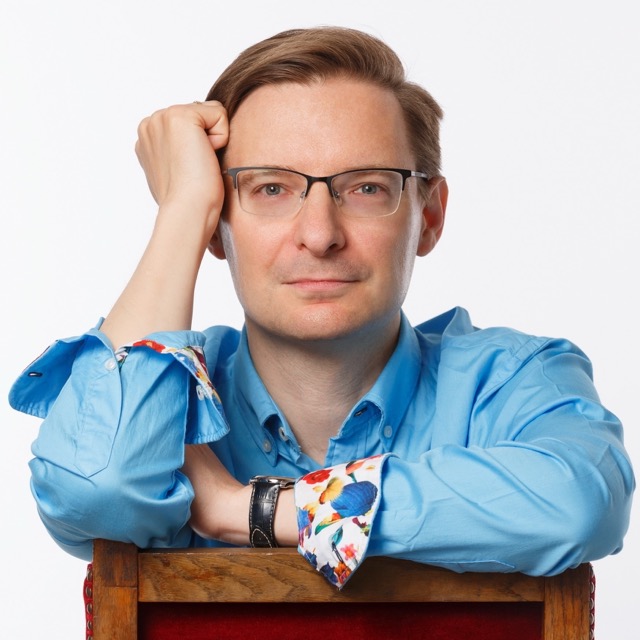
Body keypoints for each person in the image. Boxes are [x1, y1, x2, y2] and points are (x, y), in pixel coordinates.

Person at [9, 26, 634, 589]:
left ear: (429, 217)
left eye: (365, 187)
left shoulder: (512, 381)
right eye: (270, 188)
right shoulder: (160, 405)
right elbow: (98, 491)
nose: (319, 234)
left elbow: (580, 506)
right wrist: (182, 210)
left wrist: (246, 509)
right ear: (218, 226)